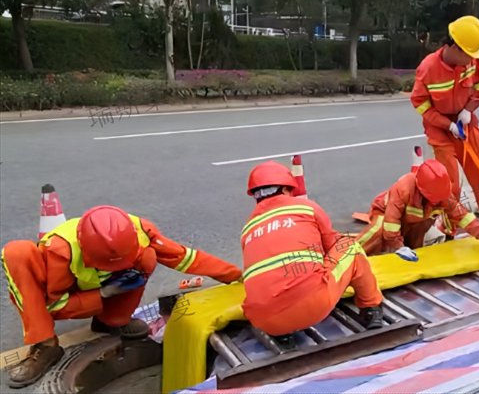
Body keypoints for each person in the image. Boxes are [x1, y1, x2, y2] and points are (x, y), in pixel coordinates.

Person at [1, 206, 242, 388]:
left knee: (147, 258)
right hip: (70, 292)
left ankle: (112, 320)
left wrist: (236, 276)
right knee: (17, 253)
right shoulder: (59, 252)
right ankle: (46, 346)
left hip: (105, 286)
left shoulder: (141, 233)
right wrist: (103, 293)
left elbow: (186, 258)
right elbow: (54, 306)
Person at [240, 161, 384, 339]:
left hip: (264, 321)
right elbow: (331, 244)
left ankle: (283, 333)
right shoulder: (305, 208)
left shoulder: (248, 227)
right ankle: (371, 308)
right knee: (348, 246)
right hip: (312, 305)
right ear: (286, 189)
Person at [410, 16, 479, 231]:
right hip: (440, 132)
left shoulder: (471, 62)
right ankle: (451, 228)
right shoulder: (428, 69)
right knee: (449, 184)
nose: (471, 60)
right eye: (468, 54)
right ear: (453, 46)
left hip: (466, 126)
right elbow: (421, 104)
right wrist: (447, 124)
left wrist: (468, 110)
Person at [356, 160, 479, 264]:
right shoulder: (404, 188)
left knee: (415, 249)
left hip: (415, 220)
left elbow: (463, 217)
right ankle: (351, 256)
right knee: (379, 230)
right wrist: (398, 246)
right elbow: (391, 222)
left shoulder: (442, 194)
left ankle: (403, 251)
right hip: (385, 214)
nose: (437, 203)